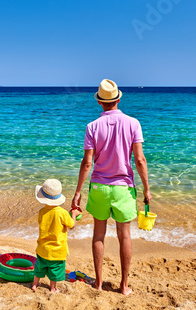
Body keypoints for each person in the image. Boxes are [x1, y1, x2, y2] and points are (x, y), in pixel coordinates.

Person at [71, 79, 152, 296]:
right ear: (118, 99)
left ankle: (98, 283)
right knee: (124, 236)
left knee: (98, 235)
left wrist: (77, 192)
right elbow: (140, 160)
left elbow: (87, 163)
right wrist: (146, 188)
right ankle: (124, 286)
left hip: (99, 187)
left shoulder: (92, 127)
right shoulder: (133, 123)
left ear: (99, 102)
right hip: (123, 187)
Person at [32, 178, 80, 293]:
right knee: (55, 270)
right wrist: (73, 214)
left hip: (42, 248)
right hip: (57, 251)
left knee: (39, 267)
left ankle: (34, 285)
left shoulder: (42, 211)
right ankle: (53, 288)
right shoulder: (62, 213)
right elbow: (72, 225)